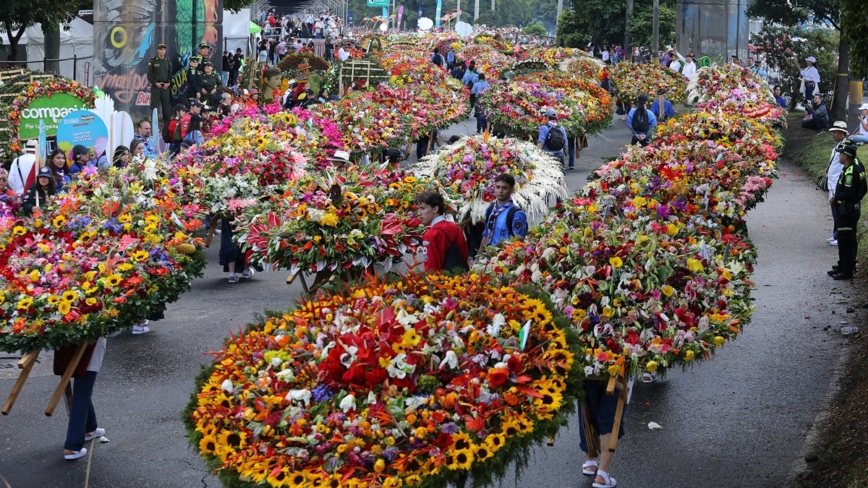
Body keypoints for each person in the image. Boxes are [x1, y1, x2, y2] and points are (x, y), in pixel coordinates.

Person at [56, 336, 107, 461]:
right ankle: (72, 446)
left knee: (82, 393)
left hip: (65, 348)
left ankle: (89, 429)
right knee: (82, 394)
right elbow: (113, 330)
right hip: (89, 351)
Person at [579, 378, 627, 488]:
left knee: (588, 406)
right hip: (617, 366)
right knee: (611, 412)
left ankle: (590, 461)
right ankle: (602, 472)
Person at [829, 143, 867, 280]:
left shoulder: (851, 171)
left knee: (846, 240)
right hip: (849, 208)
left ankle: (847, 271)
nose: (839, 155)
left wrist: (836, 198)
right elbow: (863, 190)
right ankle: (843, 265)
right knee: (845, 238)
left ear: (845, 156)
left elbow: (848, 192)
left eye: (840, 154)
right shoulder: (849, 168)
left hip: (847, 210)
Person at [415, 191, 469, 272]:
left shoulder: (430, 235)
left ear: (435, 209)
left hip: (443, 281)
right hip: (461, 276)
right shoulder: (455, 227)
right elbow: (465, 254)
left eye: (422, 208)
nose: (418, 213)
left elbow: (431, 269)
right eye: (418, 208)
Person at [480, 174, 528, 249]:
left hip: (504, 257)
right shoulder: (490, 209)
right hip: (488, 254)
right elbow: (486, 234)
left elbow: (519, 243)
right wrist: (479, 255)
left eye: (505, 188)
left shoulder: (517, 214)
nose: (500, 191)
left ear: (511, 190)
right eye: (498, 187)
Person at [825, 122, 850, 247]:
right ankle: (836, 234)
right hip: (832, 182)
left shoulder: (845, 146)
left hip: (837, 182)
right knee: (834, 210)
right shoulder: (838, 146)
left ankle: (840, 236)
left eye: (835, 132)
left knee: (838, 210)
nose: (833, 135)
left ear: (842, 133)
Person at [220, 216, 254, 283]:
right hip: (244, 208)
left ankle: (231, 273)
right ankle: (246, 270)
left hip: (227, 212)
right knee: (245, 235)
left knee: (229, 237)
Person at [147, 43, 173, 125]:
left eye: (164, 49)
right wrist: (155, 83)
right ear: (157, 50)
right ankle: (154, 127)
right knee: (154, 107)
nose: (162, 51)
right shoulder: (153, 60)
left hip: (165, 87)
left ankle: (167, 128)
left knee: (166, 108)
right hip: (156, 87)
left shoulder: (167, 61)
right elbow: (149, 75)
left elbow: (170, 74)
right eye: (161, 49)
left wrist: (168, 83)